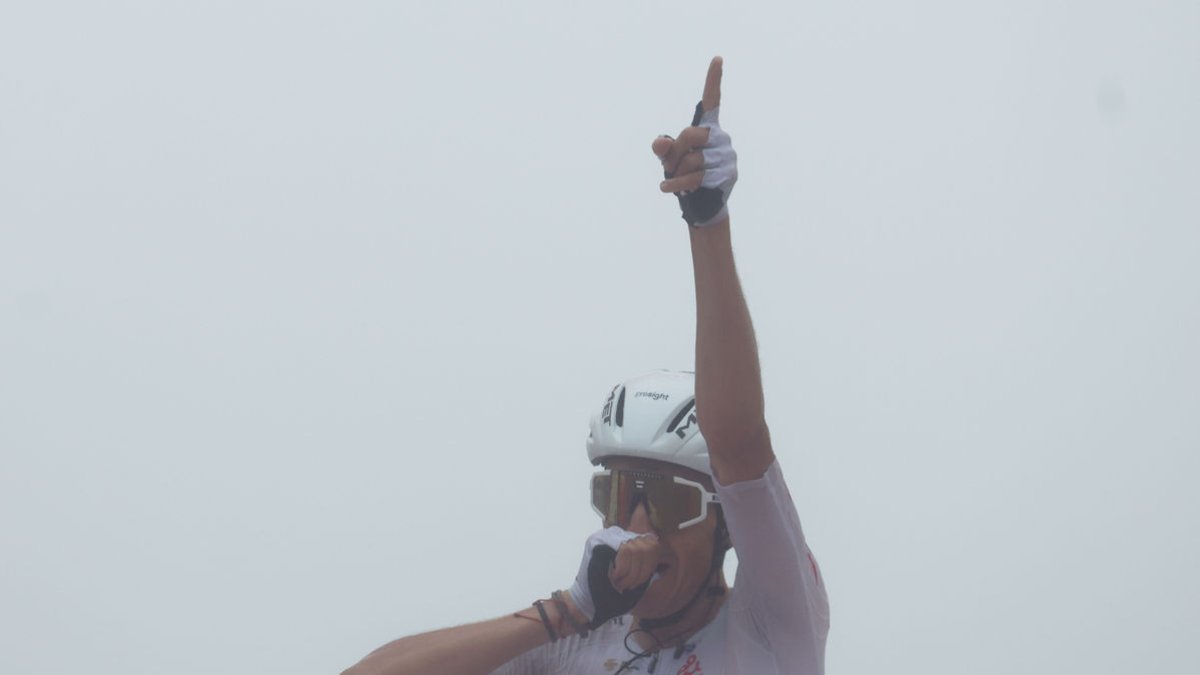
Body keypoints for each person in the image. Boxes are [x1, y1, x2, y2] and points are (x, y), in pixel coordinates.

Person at [342, 56, 829, 675]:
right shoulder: (578, 640)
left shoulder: (770, 624)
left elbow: (737, 442)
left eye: (673, 499)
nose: (636, 524)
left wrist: (707, 222)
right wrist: (567, 611)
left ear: (728, 528)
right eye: (619, 492)